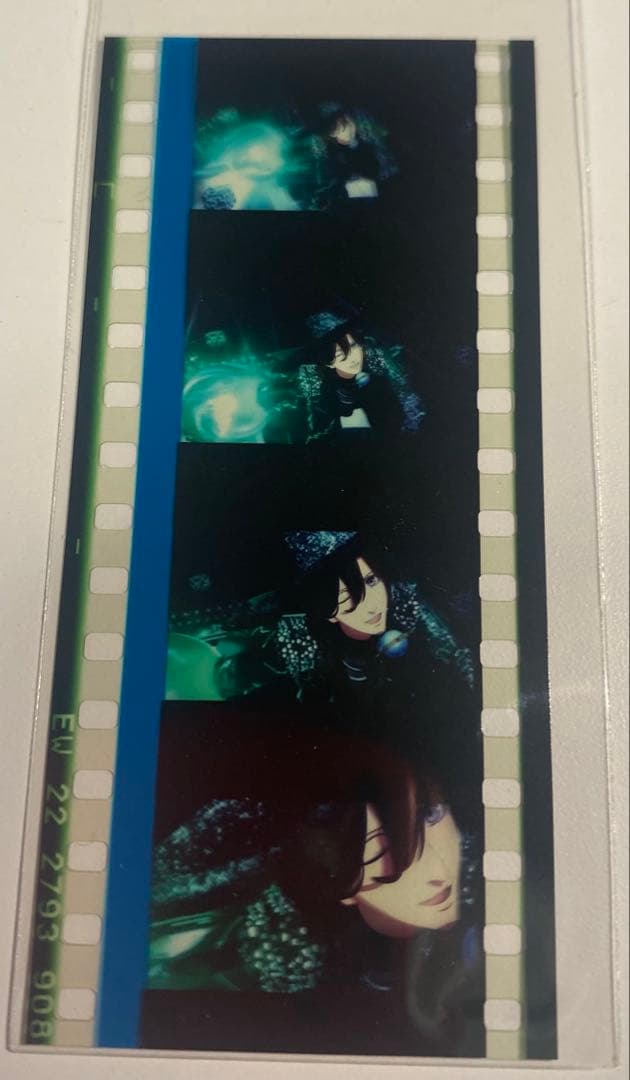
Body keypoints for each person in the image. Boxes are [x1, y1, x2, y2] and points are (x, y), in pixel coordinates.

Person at [147, 734, 483, 1055]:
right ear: (336, 885)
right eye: (380, 856)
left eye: (432, 816)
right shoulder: (283, 969)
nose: (437, 871)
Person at [275, 531, 473, 714]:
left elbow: (458, 663)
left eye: (371, 581)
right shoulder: (311, 655)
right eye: (347, 598)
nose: (371, 604)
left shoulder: (410, 611)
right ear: (328, 611)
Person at [297, 307, 424, 439]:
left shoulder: (375, 359)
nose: (352, 358)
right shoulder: (315, 380)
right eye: (340, 354)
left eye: (353, 346)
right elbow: (317, 419)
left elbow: (404, 394)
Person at [310, 103, 398, 208]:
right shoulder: (328, 150)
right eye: (337, 133)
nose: (346, 135)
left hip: (385, 183)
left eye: (346, 126)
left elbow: (389, 161)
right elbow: (329, 174)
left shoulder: (367, 127)